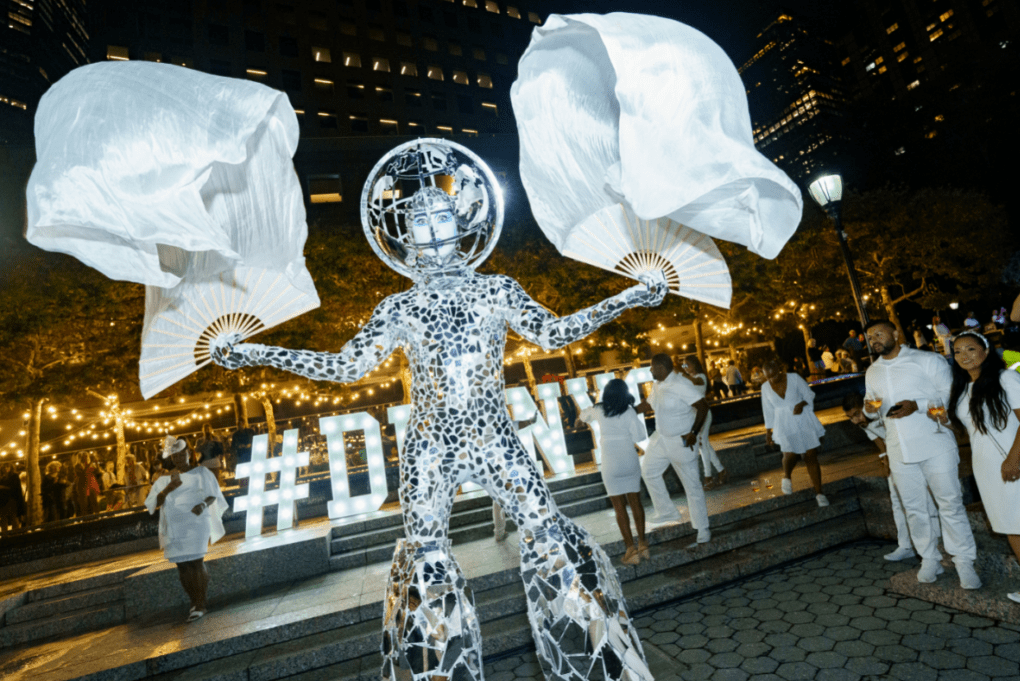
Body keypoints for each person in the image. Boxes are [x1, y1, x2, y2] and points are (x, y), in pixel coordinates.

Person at [211, 157, 664, 680]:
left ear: (463, 222)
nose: (432, 231)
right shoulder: (399, 307)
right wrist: (259, 352)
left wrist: (629, 296)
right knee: (425, 559)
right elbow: (346, 366)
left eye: (442, 218)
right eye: (419, 221)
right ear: (403, 235)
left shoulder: (496, 290)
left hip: (495, 435)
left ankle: (602, 663)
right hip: (430, 445)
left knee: (550, 535)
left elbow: (554, 332)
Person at [863, 319, 980, 588]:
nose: (874, 340)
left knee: (950, 504)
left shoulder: (927, 360)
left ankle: (964, 561)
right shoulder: (873, 371)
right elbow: (871, 407)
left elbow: (951, 395)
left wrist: (918, 405)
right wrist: (869, 409)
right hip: (898, 448)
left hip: (935, 443)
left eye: (879, 334)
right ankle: (929, 558)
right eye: (870, 337)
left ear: (896, 332)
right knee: (914, 508)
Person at [945, 331, 1020, 603]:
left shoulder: (1006, 379)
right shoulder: (961, 389)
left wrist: (1013, 458)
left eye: (970, 348)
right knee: (1011, 525)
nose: (964, 355)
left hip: (1015, 462)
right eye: (957, 351)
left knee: (1019, 522)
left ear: (986, 351)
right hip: (986, 468)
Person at [842, 392, 939, 562]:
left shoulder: (884, 413)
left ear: (865, 406)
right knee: (896, 501)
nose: (855, 421)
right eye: (850, 417)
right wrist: (884, 458)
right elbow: (878, 439)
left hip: (912, 453)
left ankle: (936, 540)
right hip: (894, 456)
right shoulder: (865, 423)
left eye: (857, 414)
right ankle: (906, 545)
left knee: (924, 498)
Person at [144, 436, 228, 623]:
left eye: (182, 454)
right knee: (182, 565)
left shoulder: (202, 472)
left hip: (196, 522)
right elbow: (152, 504)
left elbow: (213, 495)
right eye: (175, 454)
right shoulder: (164, 478)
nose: (179, 458)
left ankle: (200, 604)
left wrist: (202, 505)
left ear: (189, 453)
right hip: (174, 526)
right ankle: (194, 602)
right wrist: (168, 489)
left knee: (195, 562)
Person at [635, 353, 711, 544]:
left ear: (661, 367)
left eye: (652, 367)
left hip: (681, 440)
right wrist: (625, 411)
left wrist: (694, 432)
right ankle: (667, 511)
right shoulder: (658, 384)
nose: (650, 370)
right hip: (661, 438)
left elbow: (703, 407)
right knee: (648, 471)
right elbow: (648, 404)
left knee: (692, 485)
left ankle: (702, 529)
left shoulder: (680, 385)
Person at [578, 379, 649, 564]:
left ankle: (631, 550)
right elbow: (640, 436)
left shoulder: (599, 409)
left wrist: (582, 418)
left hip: (611, 462)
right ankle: (643, 544)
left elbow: (583, 416)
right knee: (636, 503)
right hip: (629, 459)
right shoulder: (629, 410)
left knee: (619, 507)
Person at [761, 357, 829, 506]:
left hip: (802, 418)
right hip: (783, 422)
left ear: (780, 369)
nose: (772, 380)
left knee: (810, 456)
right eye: (768, 377)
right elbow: (767, 410)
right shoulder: (765, 388)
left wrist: (802, 403)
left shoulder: (794, 378)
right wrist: (768, 432)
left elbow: (809, 395)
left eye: (774, 375)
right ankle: (786, 476)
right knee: (790, 454)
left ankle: (819, 493)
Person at [679, 355, 729, 489]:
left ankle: (708, 477)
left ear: (694, 364)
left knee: (702, 444)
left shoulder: (701, 377)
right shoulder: (688, 379)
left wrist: (683, 376)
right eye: (683, 365)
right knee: (704, 444)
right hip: (693, 415)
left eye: (687, 365)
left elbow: (697, 383)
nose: (685, 368)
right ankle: (721, 471)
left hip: (703, 414)